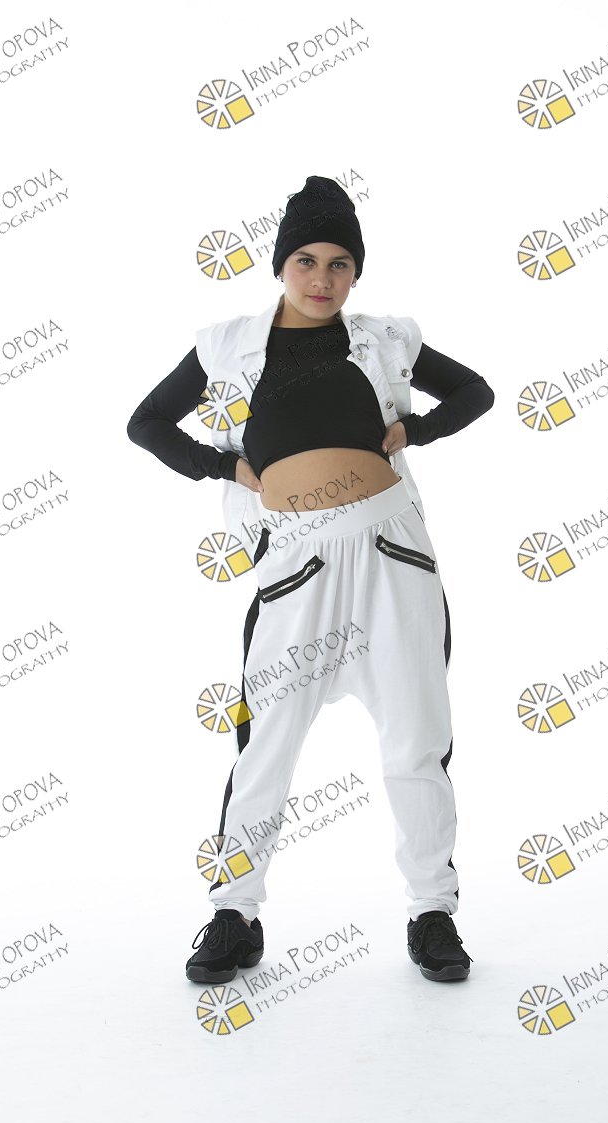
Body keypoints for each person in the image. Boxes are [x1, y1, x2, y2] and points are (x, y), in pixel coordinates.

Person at [127, 176, 494, 984]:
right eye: (306, 260)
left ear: (356, 272)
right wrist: (223, 467)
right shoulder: (226, 344)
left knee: (417, 740)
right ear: (280, 265)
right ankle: (234, 914)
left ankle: (432, 913)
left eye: (339, 263)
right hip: (296, 568)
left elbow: (477, 392)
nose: (322, 278)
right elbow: (145, 423)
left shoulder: (388, 340)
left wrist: (416, 429)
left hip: (394, 559)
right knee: (266, 745)